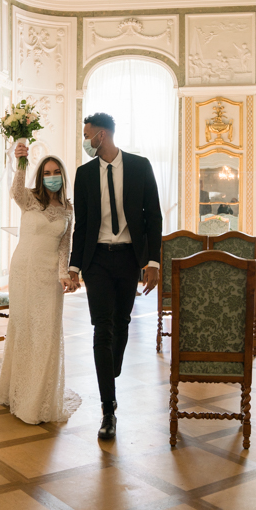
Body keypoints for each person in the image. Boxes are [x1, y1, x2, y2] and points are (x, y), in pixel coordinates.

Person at [67, 113, 163, 440]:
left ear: (102, 135)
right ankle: (108, 409)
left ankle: (111, 368)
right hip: (96, 261)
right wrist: (74, 267)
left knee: (121, 322)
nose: (85, 140)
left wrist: (153, 262)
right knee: (102, 328)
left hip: (128, 259)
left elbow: (154, 217)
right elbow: (82, 227)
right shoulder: (83, 175)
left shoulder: (139, 166)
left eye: (87, 135)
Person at [0, 147, 81, 424]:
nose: (52, 177)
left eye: (56, 173)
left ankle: (39, 397)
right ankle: (16, 391)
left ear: (63, 176)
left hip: (49, 278)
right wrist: (21, 160)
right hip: (23, 271)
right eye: (46, 173)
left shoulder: (68, 208)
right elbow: (15, 191)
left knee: (46, 332)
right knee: (23, 328)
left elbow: (64, 245)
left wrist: (64, 273)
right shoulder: (29, 199)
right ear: (40, 176)